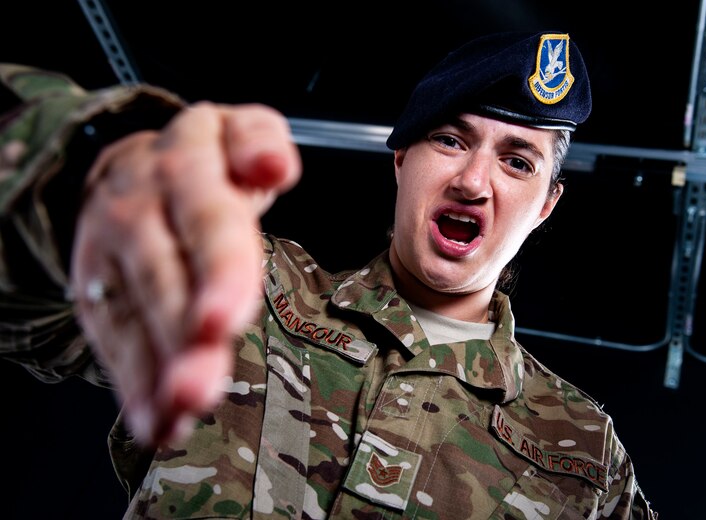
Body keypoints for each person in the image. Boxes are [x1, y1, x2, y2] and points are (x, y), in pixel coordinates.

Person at [0, 31, 657, 519]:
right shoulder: (249, 287)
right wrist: (73, 181)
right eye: (451, 140)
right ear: (401, 159)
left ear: (546, 205)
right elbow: (31, 322)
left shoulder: (582, 450)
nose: (473, 181)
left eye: (518, 162)